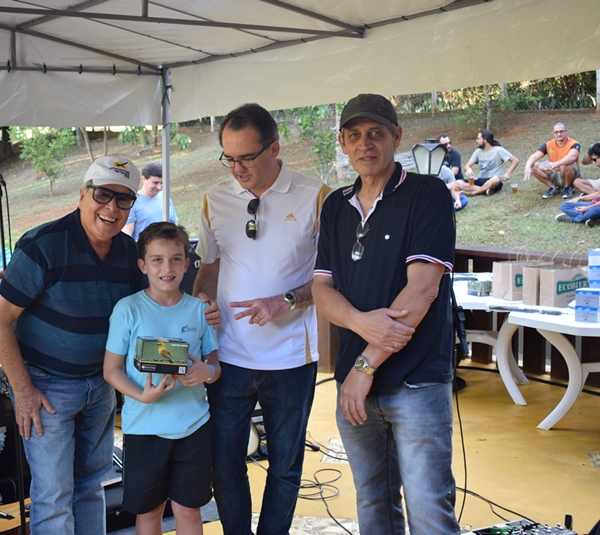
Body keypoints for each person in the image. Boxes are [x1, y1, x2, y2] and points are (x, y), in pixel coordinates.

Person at [0, 156, 219, 534]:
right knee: (54, 494)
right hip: (47, 387)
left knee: (92, 485)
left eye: (124, 198)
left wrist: (201, 309)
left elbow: (157, 304)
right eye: (103, 195)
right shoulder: (42, 244)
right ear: (83, 194)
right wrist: (23, 390)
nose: (112, 206)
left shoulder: (128, 252)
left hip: (101, 385)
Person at [311, 93, 459, 534]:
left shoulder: (427, 193)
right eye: (354, 135)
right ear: (342, 142)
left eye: (376, 133)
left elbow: (423, 288)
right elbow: (321, 288)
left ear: (396, 136)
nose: (365, 143)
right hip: (355, 386)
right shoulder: (336, 205)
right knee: (373, 503)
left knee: (429, 511)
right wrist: (360, 324)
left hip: (415, 381)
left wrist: (364, 365)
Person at [192, 102, 330, 535]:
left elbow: (332, 279)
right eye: (229, 158)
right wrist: (200, 302)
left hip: (291, 359)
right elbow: (209, 269)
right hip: (227, 357)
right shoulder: (215, 200)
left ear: (274, 148)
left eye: (247, 157)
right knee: (224, 462)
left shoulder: (317, 196)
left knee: (285, 466)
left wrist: (285, 300)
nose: (238, 168)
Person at [103, 222, 219, 535]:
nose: (167, 268)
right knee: (149, 511)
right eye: (157, 260)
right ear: (143, 265)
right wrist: (141, 395)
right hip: (144, 428)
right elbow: (111, 369)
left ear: (187, 263)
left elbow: (214, 364)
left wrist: (206, 372)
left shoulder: (199, 310)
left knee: (188, 510)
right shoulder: (127, 310)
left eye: (175, 259)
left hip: (193, 427)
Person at [523, 121, 581, 199]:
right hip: (555, 172)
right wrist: (527, 166)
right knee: (534, 165)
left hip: (570, 174)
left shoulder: (574, 143)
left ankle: (568, 187)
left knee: (566, 164)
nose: (559, 134)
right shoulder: (548, 144)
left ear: (566, 131)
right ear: (553, 133)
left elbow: (572, 157)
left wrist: (556, 163)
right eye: (556, 132)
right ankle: (553, 188)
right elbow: (535, 156)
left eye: (561, 131)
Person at [122, 162, 178, 241]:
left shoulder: (165, 197)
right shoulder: (133, 201)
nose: (159, 187)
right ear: (144, 179)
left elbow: (174, 225)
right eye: (155, 183)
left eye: (161, 183)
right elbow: (127, 234)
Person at [460, 129, 519, 196]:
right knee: (458, 183)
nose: (476, 141)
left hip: (493, 180)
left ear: (485, 140)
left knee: (495, 179)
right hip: (481, 180)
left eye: (478, 139)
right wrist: (468, 169)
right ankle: (485, 190)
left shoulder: (498, 150)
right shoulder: (478, 151)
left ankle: (473, 193)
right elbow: (466, 166)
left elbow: (515, 160)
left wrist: (507, 174)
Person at [556, 145, 600, 227]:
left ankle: (574, 219)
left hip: (596, 208)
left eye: (594, 159)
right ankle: (594, 219)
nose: (593, 162)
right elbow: (598, 194)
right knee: (565, 205)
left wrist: (588, 208)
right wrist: (579, 198)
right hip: (596, 205)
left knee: (592, 211)